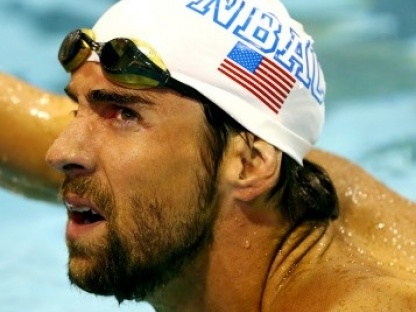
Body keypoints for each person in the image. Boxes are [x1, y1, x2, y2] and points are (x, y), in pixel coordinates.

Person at [1, 0, 416, 310]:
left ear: (250, 163)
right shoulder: (238, 161)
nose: (60, 152)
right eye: (80, 108)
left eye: (124, 114)